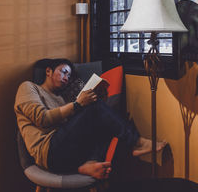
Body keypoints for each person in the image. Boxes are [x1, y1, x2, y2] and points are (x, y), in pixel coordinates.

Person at [14, 58, 166, 180]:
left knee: (101, 117)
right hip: (49, 152)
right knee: (95, 109)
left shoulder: (61, 99)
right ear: (48, 71)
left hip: (67, 152)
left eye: (68, 76)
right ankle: (136, 142)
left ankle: (89, 162)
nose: (66, 78)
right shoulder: (28, 87)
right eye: (63, 72)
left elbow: (75, 127)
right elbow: (42, 118)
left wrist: (95, 99)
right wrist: (78, 104)